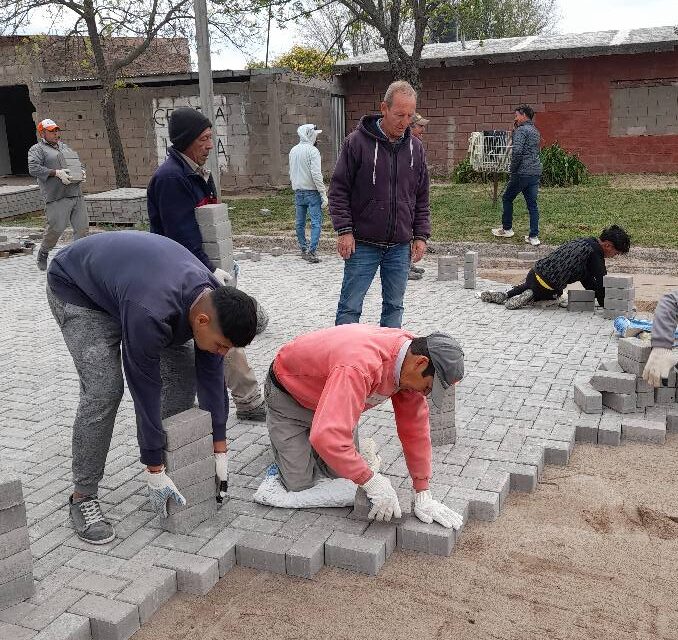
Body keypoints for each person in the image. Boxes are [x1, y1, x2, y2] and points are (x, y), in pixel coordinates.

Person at [46, 231, 258, 544]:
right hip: (80, 290)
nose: (222, 352)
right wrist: (152, 465)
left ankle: (175, 467)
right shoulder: (151, 313)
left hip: (133, 286)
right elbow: (144, 389)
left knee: (183, 376)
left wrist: (219, 447)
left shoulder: (212, 298)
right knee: (105, 390)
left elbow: (211, 378)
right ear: (201, 321)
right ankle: (83, 496)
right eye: (221, 345)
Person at [265, 324, 464, 529]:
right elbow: (326, 436)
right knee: (299, 485)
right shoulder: (360, 366)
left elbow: (415, 430)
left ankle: (313, 444)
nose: (426, 393)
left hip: (335, 401)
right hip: (289, 399)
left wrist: (422, 490)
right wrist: (370, 480)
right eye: (429, 387)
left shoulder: (411, 361)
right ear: (421, 363)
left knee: (343, 474)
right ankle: (288, 447)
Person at [148, 106, 267, 422]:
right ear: (186, 141)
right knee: (220, 336)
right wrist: (209, 270)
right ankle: (245, 402)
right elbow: (180, 236)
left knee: (224, 337)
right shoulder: (171, 179)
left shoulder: (199, 173)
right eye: (204, 138)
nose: (210, 144)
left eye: (211, 137)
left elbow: (210, 224)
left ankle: (244, 401)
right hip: (185, 276)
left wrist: (222, 262)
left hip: (210, 269)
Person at [329, 80, 430, 328]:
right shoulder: (356, 143)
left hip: (399, 247)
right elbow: (338, 190)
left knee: (394, 306)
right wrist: (344, 230)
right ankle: (344, 359)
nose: (405, 122)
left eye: (409, 115)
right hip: (362, 244)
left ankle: (389, 360)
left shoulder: (416, 149)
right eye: (399, 114)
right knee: (350, 307)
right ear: (383, 108)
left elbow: (421, 196)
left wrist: (420, 235)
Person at [481, 225, 631, 310]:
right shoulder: (595, 255)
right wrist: (609, 305)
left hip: (534, 273)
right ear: (607, 245)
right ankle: (532, 298)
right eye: (615, 253)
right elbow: (601, 284)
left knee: (530, 284)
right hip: (549, 288)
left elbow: (587, 279)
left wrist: (592, 294)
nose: (614, 256)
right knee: (556, 297)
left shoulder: (585, 242)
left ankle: (507, 294)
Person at [27, 118, 89, 271]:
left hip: (75, 193)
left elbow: (76, 163)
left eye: (56, 130)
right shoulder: (37, 149)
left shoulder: (64, 147)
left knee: (82, 228)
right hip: (57, 196)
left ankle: (76, 260)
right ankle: (44, 251)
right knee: (56, 228)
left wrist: (81, 171)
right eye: (51, 131)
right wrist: (56, 173)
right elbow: (33, 168)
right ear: (42, 133)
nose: (56, 134)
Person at [491, 105, 542, 246]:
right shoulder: (535, 131)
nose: (515, 118)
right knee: (532, 205)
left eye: (516, 115)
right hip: (534, 172)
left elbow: (518, 152)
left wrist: (512, 169)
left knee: (507, 198)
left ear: (524, 115)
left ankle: (507, 229)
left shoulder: (521, 131)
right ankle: (534, 237)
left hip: (521, 172)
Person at [288, 124, 328, 264]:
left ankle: (303, 248)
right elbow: (316, 174)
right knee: (316, 222)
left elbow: (291, 172)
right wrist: (323, 193)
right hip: (312, 192)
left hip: (298, 191)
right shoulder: (313, 151)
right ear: (311, 135)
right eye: (316, 135)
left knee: (300, 222)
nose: (317, 138)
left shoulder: (293, 150)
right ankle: (312, 251)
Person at [407, 113, 430, 282]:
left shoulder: (416, 145)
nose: (423, 129)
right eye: (420, 126)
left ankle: (408, 264)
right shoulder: (406, 146)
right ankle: (404, 267)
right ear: (410, 126)